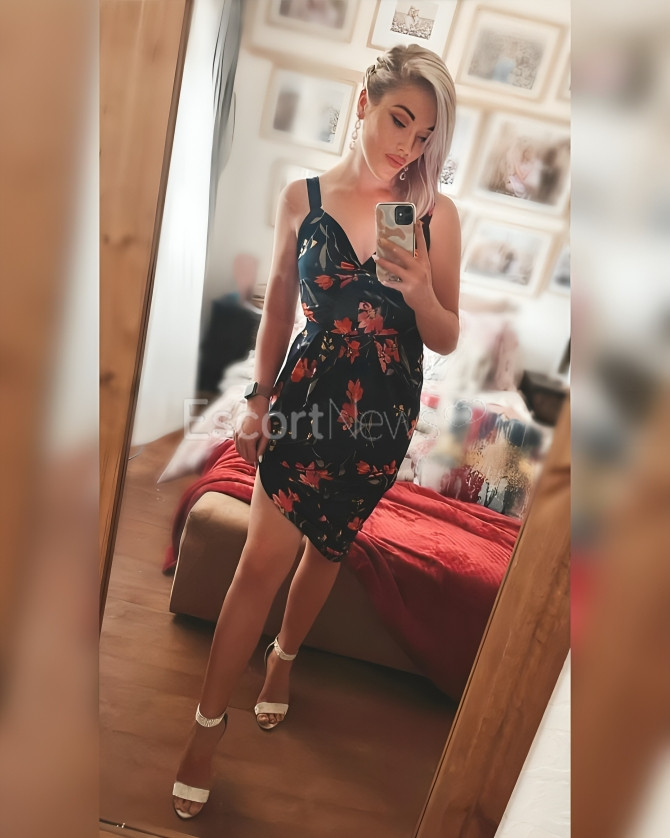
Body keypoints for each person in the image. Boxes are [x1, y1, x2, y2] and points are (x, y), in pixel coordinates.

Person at [172, 43, 461, 819]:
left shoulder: (436, 216)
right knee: (258, 565)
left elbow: (445, 334)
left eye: (425, 134)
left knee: (329, 546)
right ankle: (204, 732)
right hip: (305, 402)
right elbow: (276, 303)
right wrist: (257, 398)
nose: (408, 146)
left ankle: (284, 659)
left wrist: (419, 291)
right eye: (399, 120)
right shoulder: (300, 199)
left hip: (381, 420)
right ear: (364, 103)